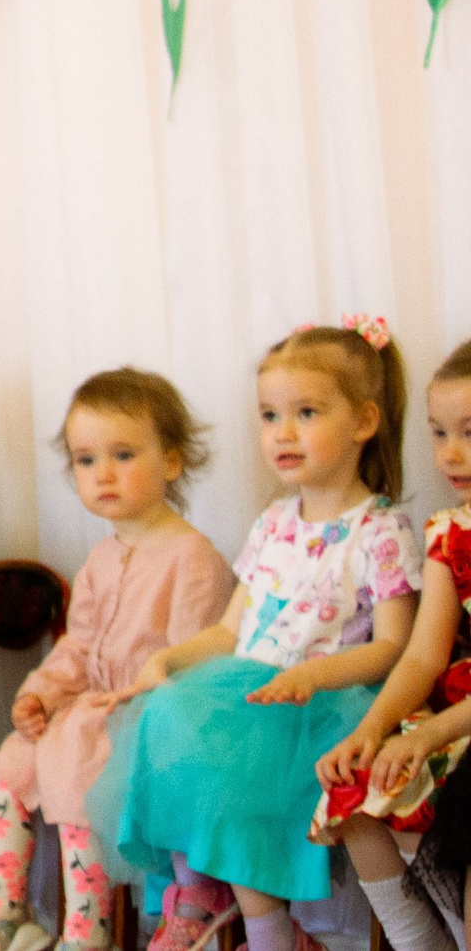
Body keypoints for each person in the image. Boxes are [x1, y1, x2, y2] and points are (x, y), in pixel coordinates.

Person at [99, 321, 419, 951]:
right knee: (170, 715)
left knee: (241, 762)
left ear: (363, 422)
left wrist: (310, 676)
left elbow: (391, 647)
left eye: (306, 412)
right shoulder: (275, 520)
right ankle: (208, 902)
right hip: (255, 690)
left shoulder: (381, 528)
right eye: (271, 415)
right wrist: (170, 659)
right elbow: (230, 629)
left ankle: (273, 935)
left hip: (327, 702)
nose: (283, 432)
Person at [0, 371, 234, 951]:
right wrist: (39, 695)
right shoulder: (100, 559)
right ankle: (0, 921)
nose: (102, 472)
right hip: (88, 712)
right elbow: (78, 649)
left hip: (147, 721)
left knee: (83, 767)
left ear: (172, 462)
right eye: (85, 460)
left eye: (123, 454)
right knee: (7, 767)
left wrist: (123, 701)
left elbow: (192, 663)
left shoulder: (193, 558)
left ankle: (88, 933)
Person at [310, 336, 471, 951]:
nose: (451, 453)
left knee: (439, 787)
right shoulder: (448, 534)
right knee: (356, 783)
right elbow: (425, 655)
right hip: (448, 714)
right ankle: (416, 942)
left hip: (460, 725)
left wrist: (432, 734)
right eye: (437, 433)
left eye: (468, 430)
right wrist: (372, 729)